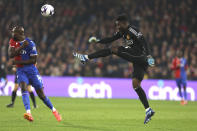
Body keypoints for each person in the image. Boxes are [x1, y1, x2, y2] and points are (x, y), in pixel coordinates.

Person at [73, 14, 155, 124]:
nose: (117, 27)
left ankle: (86, 57)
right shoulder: (122, 32)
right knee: (135, 85)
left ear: (125, 23)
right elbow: (110, 39)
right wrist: (97, 41)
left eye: (118, 24)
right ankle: (148, 110)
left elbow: (144, 41)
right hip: (138, 62)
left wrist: (149, 56)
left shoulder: (132, 30)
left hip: (140, 55)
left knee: (113, 49)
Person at [8, 26, 61, 122]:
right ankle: (28, 113)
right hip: (21, 71)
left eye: (14, 32)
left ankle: (54, 111)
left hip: (31, 70)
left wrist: (19, 63)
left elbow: (33, 60)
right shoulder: (13, 41)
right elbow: (11, 55)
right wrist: (22, 47)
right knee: (23, 87)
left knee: (41, 95)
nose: (12, 34)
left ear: (19, 34)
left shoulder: (31, 44)